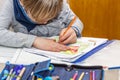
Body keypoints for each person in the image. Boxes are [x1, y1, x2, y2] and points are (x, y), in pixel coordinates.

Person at [0, 0, 83, 52]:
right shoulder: (11, 4)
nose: (45, 22)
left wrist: (74, 30)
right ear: (24, 5)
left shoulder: (59, 3)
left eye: (51, 17)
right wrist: (34, 41)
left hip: (58, 56)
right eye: (38, 18)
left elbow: (76, 21)